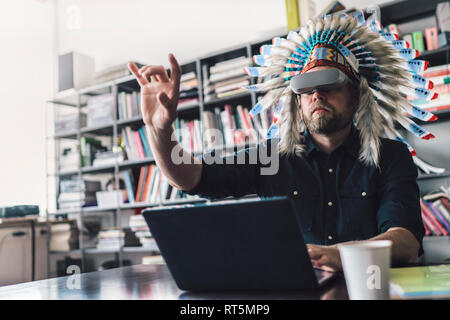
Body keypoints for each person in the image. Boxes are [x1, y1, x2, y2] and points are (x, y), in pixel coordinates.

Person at [128, 13, 435, 272]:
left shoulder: (391, 156)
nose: (317, 95)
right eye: (307, 88)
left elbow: (405, 242)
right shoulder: (270, 157)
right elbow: (192, 177)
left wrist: (335, 255)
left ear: (355, 97)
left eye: (330, 83)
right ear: (298, 102)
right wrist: (159, 131)